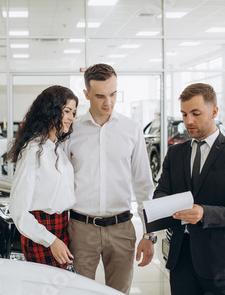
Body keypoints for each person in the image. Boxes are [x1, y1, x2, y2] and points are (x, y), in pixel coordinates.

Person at [154, 83, 225, 295]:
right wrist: (162, 205)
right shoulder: (175, 154)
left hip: (222, 266)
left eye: (195, 113)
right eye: (184, 114)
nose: (188, 121)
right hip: (181, 260)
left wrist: (204, 213)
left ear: (214, 111)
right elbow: (162, 191)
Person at [62, 63, 155, 294]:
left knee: (119, 292)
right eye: (100, 96)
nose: (108, 103)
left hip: (121, 228)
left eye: (113, 94)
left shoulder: (132, 129)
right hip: (81, 229)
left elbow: (144, 184)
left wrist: (149, 233)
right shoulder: (72, 131)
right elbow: (60, 183)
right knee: (79, 291)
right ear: (86, 94)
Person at [8, 85, 78, 268]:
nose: (72, 117)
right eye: (67, 111)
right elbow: (19, 211)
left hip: (61, 230)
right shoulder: (33, 150)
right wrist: (51, 241)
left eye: (74, 112)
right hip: (43, 235)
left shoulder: (56, 147)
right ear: (51, 111)